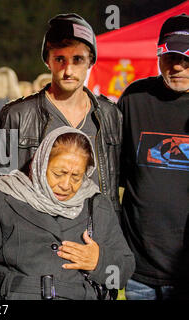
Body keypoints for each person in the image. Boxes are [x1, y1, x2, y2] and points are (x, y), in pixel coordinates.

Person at [0, 127, 135, 300]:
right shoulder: (4, 196)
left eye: (76, 177)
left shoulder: (96, 205)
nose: (65, 185)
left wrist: (99, 262)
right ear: (38, 164)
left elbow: (122, 274)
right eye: (58, 174)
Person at [0, 13, 122, 216]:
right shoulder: (17, 115)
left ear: (91, 61)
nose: (68, 70)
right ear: (48, 61)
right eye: (60, 59)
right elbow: (0, 186)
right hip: (38, 234)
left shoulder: (110, 114)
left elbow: (118, 184)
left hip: (96, 233)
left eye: (77, 59)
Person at [118, 14, 189, 300]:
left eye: (186, 58)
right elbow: (114, 171)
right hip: (139, 267)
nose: (178, 66)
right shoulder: (135, 98)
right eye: (170, 56)